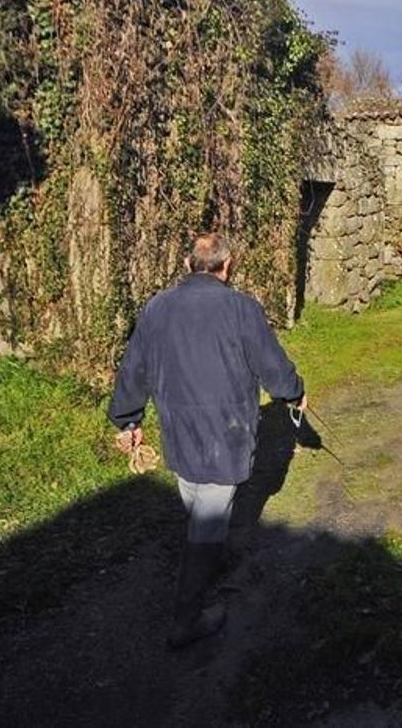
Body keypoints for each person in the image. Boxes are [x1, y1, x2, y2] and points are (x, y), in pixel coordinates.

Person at [108, 232, 306, 649]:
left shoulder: (157, 307)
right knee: (206, 529)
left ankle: (208, 565)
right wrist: (293, 390)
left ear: (187, 265)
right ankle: (187, 619)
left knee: (198, 506)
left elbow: (134, 368)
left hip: (180, 431)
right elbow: (270, 362)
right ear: (227, 266)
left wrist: (128, 419)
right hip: (225, 433)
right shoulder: (240, 308)